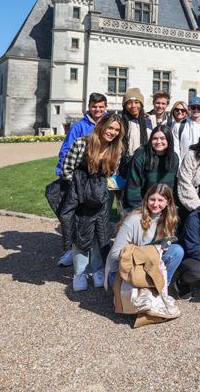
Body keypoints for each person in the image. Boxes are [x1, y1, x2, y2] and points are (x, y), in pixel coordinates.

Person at [59, 113, 124, 292]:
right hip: (79, 195)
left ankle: (96, 269)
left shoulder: (115, 148)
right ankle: (80, 272)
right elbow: (66, 171)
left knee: (99, 232)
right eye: (110, 127)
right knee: (81, 232)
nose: (112, 132)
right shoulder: (81, 143)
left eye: (117, 130)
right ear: (101, 125)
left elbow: (112, 174)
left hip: (101, 196)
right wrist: (84, 189)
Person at [105, 183, 184, 293]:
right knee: (140, 296)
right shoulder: (134, 220)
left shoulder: (168, 219)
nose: (155, 204)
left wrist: (163, 246)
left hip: (146, 264)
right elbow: (115, 253)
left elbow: (160, 244)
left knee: (177, 251)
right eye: (152, 199)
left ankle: (163, 288)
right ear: (146, 199)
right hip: (123, 269)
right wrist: (148, 253)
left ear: (168, 202)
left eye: (160, 200)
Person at [123, 125, 180, 212]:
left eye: (162, 138)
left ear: (169, 140)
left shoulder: (174, 158)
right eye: (155, 138)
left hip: (164, 207)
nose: (158, 141)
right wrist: (140, 210)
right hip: (141, 206)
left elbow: (172, 187)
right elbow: (132, 187)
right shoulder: (140, 156)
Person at [56, 93, 108, 175]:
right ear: (89, 106)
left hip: (105, 168)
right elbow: (66, 150)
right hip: (83, 168)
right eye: (94, 106)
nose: (97, 109)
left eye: (101, 107)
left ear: (106, 107)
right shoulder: (77, 127)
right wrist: (62, 172)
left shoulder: (111, 125)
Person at [119, 89, 152, 172]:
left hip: (146, 164)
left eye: (136, 102)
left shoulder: (150, 121)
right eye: (129, 103)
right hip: (126, 165)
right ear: (125, 105)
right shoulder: (120, 123)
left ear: (141, 104)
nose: (133, 106)